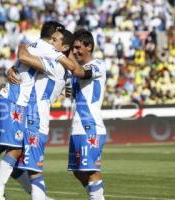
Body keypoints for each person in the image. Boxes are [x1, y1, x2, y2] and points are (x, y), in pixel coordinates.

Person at [0, 21, 76, 200]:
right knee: (16, 148)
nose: (56, 42)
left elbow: (24, 58)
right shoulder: (48, 49)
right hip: (16, 101)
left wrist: (18, 59)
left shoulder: (34, 46)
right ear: (52, 38)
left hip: (11, 99)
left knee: (1, 145)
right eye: (56, 38)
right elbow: (68, 66)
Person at [68, 28, 107, 200]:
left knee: (91, 171)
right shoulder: (74, 72)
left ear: (89, 46)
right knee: (77, 171)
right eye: (73, 48)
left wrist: (63, 55)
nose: (74, 51)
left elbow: (81, 73)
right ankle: (96, 195)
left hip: (90, 125)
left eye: (77, 47)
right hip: (77, 126)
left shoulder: (97, 65)